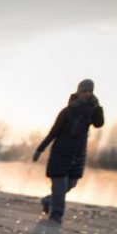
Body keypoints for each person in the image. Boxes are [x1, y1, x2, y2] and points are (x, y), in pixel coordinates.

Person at [33, 79, 104, 223]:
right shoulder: (67, 111)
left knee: (71, 184)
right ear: (78, 92)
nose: (87, 94)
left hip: (78, 154)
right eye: (84, 91)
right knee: (60, 185)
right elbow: (53, 132)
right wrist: (40, 149)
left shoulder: (91, 112)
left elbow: (99, 124)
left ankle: (48, 200)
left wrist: (98, 107)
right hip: (61, 152)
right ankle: (56, 216)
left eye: (90, 91)